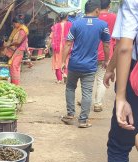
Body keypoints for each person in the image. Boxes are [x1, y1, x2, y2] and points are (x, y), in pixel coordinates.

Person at [99, 0, 138, 162]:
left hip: (134, 80)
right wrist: (111, 67)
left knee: (118, 147)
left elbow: (126, 45)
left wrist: (121, 97)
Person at [60, 0, 110, 128]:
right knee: (87, 92)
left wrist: (62, 61)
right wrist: (106, 60)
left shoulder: (75, 24)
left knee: (70, 88)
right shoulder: (103, 25)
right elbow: (106, 45)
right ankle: (83, 120)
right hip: (90, 66)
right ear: (97, 10)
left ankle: (70, 115)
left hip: (74, 64)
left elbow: (68, 44)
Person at [93, 0, 117, 112]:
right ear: (109, 5)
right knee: (101, 79)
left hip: (91, 51)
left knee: (88, 79)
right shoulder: (114, 17)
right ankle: (97, 103)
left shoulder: (94, 17)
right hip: (107, 53)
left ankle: (86, 100)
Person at [3, 15, 29, 85]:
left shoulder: (22, 30)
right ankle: (15, 83)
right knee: (15, 66)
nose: (14, 25)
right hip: (18, 50)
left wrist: (9, 44)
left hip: (19, 50)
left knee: (14, 66)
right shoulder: (18, 29)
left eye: (14, 24)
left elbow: (18, 41)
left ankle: (15, 84)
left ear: (18, 22)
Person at [49, 12, 72, 84]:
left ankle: (59, 79)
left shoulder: (55, 26)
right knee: (66, 61)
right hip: (67, 46)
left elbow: (51, 37)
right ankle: (65, 73)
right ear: (66, 17)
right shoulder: (70, 25)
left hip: (57, 47)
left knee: (57, 62)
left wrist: (47, 47)